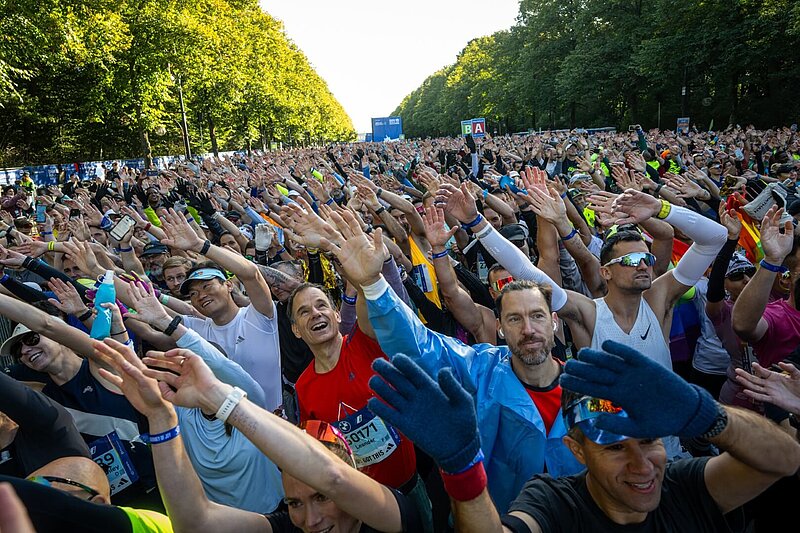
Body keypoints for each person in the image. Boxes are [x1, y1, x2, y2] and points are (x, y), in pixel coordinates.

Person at [365, 342, 800, 532]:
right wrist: (462, 469)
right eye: (615, 448)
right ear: (576, 450)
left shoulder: (686, 487)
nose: (642, 465)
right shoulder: (555, 504)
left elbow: (785, 459)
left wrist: (705, 415)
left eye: (649, 441)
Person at [437, 180, 727, 458]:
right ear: (606, 272)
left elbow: (715, 238)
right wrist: (476, 222)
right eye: (629, 261)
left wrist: (661, 208)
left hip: (666, 448)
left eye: (646, 259)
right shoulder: (588, 312)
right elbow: (527, 271)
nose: (642, 266)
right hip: (609, 452)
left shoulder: (660, 299)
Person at [321, 208, 584, 514]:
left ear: (554, 322)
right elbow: (419, 344)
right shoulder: (479, 370)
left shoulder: (588, 389)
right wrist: (373, 285)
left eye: (537, 316)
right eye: (514, 319)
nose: (528, 329)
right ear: (499, 327)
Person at [87, 337, 423, 533]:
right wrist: (161, 418)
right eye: (294, 503)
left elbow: (332, 477)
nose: (311, 520)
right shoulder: (293, 526)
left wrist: (219, 399)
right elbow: (195, 523)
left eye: (321, 497)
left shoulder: (392, 513)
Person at [160, 208, 282, 411]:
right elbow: (151, 309)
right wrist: (104, 274)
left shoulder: (258, 316)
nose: (201, 296)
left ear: (229, 285)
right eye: (193, 294)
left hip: (279, 421)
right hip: (231, 428)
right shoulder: (197, 329)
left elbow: (251, 274)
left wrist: (200, 245)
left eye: (207, 286)